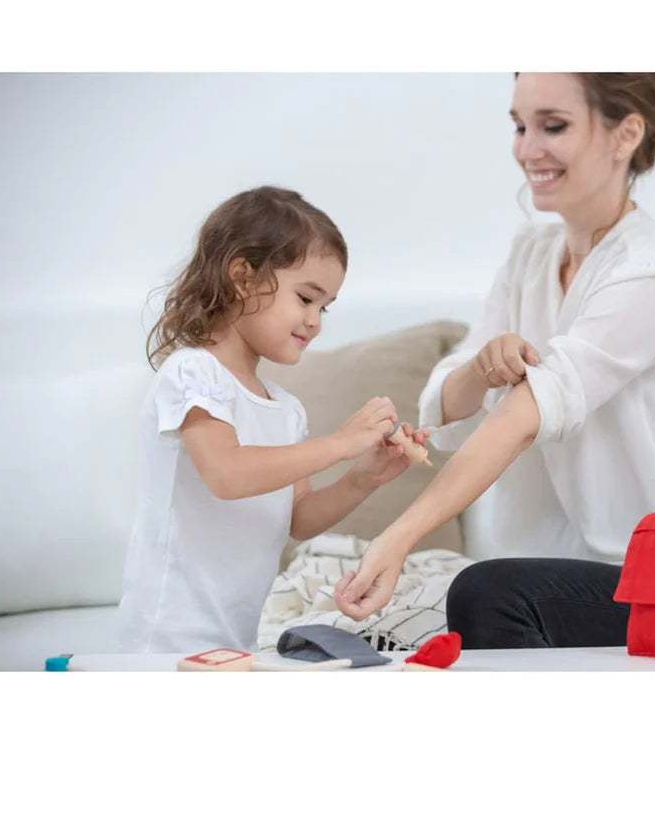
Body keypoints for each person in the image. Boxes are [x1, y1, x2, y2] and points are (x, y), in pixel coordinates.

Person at [333, 73, 655, 649]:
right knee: (480, 588)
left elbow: (525, 413)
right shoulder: (531, 254)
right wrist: (482, 369)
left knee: (487, 593)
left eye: (552, 126)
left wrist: (398, 536)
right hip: (575, 572)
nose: (528, 148)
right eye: (520, 125)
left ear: (625, 133)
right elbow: (443, 407)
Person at [116, 186, 428, 653]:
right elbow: (226, 474)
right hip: (165, 641)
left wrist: (362, 479)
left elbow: (297, 520)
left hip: (232, 643)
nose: (316, 321)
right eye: (306, 298)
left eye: (324, 307)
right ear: (242, 276)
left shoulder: (286, 409)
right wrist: (341, 442)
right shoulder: (194, 371)